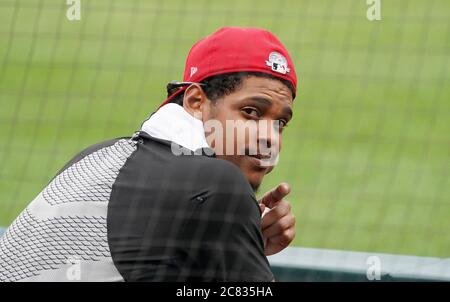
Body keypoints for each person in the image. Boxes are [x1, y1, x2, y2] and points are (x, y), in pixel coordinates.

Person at [0, 27, 297, 282]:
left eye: (280, 123)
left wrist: (235, 245)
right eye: (250, 113)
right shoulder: (217, 185)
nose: (268, 138)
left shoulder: (95, 157)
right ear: (196, 101)